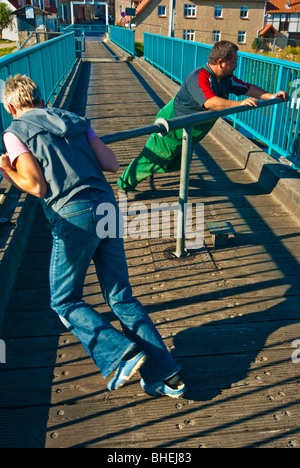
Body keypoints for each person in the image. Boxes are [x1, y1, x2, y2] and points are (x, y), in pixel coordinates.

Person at [0, 74, 185, 399]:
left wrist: (8, 170)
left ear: (12, 106)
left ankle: (119, 353)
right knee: (121, 297)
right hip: (106, 205)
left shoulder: (15, 132)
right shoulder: (73, 119)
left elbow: (37, 186)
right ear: (40, 98)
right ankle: (165, 374)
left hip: (73, 216)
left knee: (64, 300)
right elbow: (111, 163)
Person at [117, 40, 289, 198]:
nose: (236, 65)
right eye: (233, 62)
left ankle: (155, 170)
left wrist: (272, 96)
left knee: (178, 160)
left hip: (190, 128)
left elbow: (247, 88)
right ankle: (124, 185)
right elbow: (210, 102)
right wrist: (239, 103)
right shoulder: (199, 76)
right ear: (221, 62)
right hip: (173, 124)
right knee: (153, 158)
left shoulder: (226, 79)